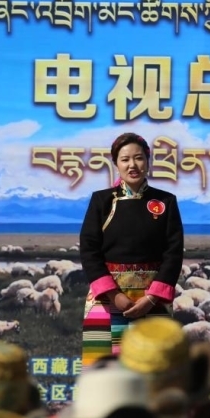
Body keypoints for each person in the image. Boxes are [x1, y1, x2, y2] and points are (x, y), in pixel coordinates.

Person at [79, 132, 185, 370]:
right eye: (125, 159)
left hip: (152, 299)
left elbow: (173, 252)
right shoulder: (101, 201)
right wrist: (114, 295)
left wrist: (151, 298)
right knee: (103, 372)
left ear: (148, 161)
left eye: (138, 158)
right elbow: (89, 249)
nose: (132, 165)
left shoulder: (166, 201)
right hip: (106, 299)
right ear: (116, 164)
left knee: (153, 370)